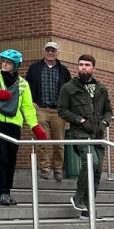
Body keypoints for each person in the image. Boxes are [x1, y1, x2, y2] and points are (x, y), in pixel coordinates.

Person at [0, 49, 48, 206]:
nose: (4, 64)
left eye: (8, 62)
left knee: (11, 160)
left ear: (16, 65)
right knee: (1, 157)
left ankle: (8, 191)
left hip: (14, 124)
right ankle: (2, 192)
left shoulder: (23, 84)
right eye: (3, 61)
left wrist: (35, 126)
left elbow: (27, 108)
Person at [59, 53, 113, 218]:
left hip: (98, 134)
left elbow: (108, 111)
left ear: (93, 68)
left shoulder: (101, 89)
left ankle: (87, 210)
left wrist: (105, 122)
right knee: (92, 163)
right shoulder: (68, 88)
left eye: (87, 65)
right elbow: (61, 110)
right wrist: (79, 120)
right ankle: (78, 197)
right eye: (81, 64)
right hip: (80, 134)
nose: (83, 67)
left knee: (96, 172)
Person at [25, 41, 71, 181]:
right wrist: (31, 102)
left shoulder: (64, 70)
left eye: (53, 51)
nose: (50, 53)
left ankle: (57, 170)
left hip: (58, 111)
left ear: (57, 53)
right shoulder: (34, 68)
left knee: (59, 142)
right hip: (41, 109)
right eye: (48, 50)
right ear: (44, 52)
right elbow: (27, 87)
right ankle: (44, 169)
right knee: (42, 139)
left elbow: (69, 90)